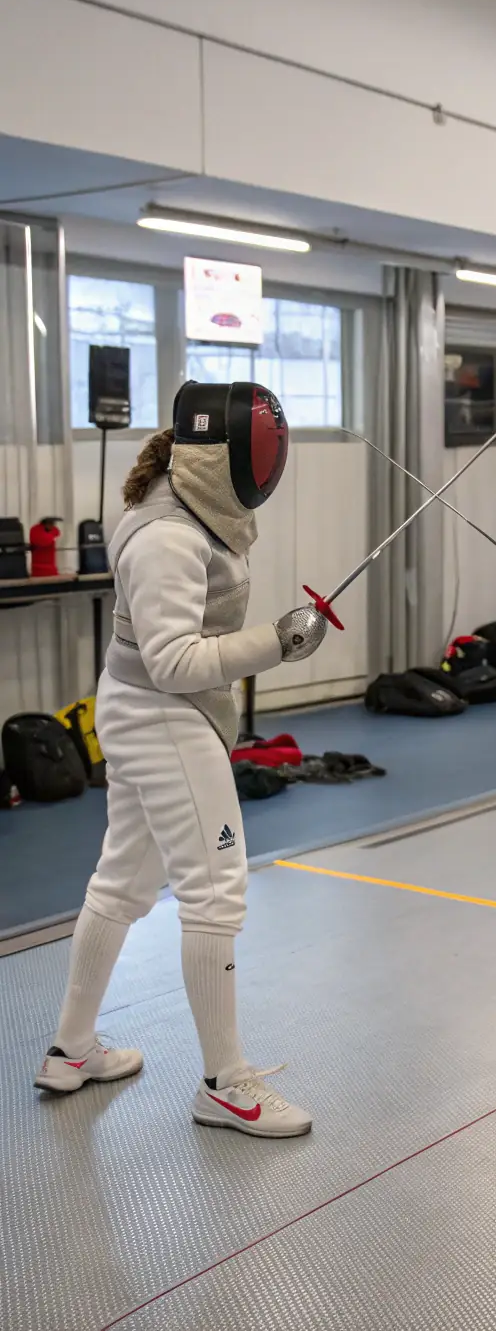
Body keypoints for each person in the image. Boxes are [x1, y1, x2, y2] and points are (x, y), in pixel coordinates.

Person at [34, 381, 332, 1139]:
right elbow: (171, 660)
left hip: (144, 711)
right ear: (226, 456)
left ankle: (71, 1050)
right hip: (164, 714)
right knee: (214, 891)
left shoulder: (178, 500)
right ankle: (225, 1083)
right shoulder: (169, 532)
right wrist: (277, 641)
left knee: (125, 878)